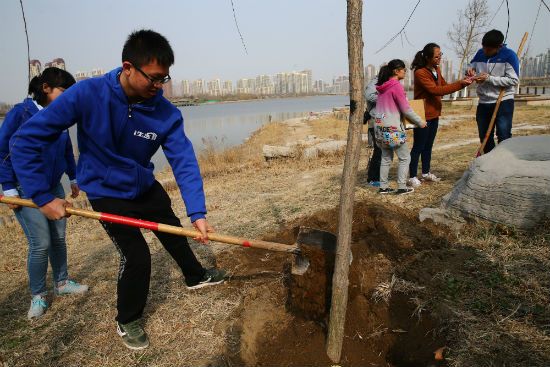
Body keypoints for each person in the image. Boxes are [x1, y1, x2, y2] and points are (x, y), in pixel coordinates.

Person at [10, 30, 226, 350]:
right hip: (104, 189)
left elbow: (184, 161)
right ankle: (127, 318)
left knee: (172, 229)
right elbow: (24, 140)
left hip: (142, 183)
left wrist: (198, 212)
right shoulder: (87, 94)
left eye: (164, 78)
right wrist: (41, 195)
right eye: (153, 78)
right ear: (128, 67)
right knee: (136, 256)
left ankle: (195, 275)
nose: (159, 86)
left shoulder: (165, 113)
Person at [0, 67, 88, 320]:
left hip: (54, 187)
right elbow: (3, 151)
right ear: (46, 88)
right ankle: (37, 295)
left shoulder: (59, 116)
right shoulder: (21, 112)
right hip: (27, 190)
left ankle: (62, 283)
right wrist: (8, 187)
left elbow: (66, 150)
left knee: (59, 240)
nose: (68, 97)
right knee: (40, 244)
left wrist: (73, 177)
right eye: (64, 91)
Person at [408, 43, 473, 188]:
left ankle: (425, 173)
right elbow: (436, 90)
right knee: (418, 146)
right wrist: (460, 84)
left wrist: (464, 82)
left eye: (440, 55)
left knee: (428, 146)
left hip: (434, 113)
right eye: (436, 56)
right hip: (422, 114)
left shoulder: (436, 69)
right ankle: (412, 176)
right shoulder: (420, 72)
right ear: (427, 57)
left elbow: (444, 85)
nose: (439, 58)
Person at [373, 59, 426, 195]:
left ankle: (383, 187)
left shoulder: (381, 88)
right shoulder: (396, 86)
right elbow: (406, 109)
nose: (405, 73)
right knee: (405, 158)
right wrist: (420, 122)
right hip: (393, 129)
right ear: (397, 71)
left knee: (385, 158)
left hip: (379, 128)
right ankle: (402, 187)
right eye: (404, 70)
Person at [467, 29, 519, 154]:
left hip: (503, 101)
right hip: (484, 101)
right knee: (484, 135)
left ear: (499, 46)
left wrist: (489, 79)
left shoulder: (509, 56)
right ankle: (490, 161)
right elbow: (471, 67)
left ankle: (504, 161)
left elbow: (513, 80)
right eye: (484, 48)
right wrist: (470, 71)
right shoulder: (480, 53)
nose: (485, 52)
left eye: (489, 50)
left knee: (503, 134)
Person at [365, 76, 381, 187]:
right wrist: (388, 96)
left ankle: (377, 176)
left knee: (382, 151)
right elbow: (369, 95)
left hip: (382, 121)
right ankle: (373, 178)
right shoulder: (374, 83)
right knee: (378, 151)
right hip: (375, 122)